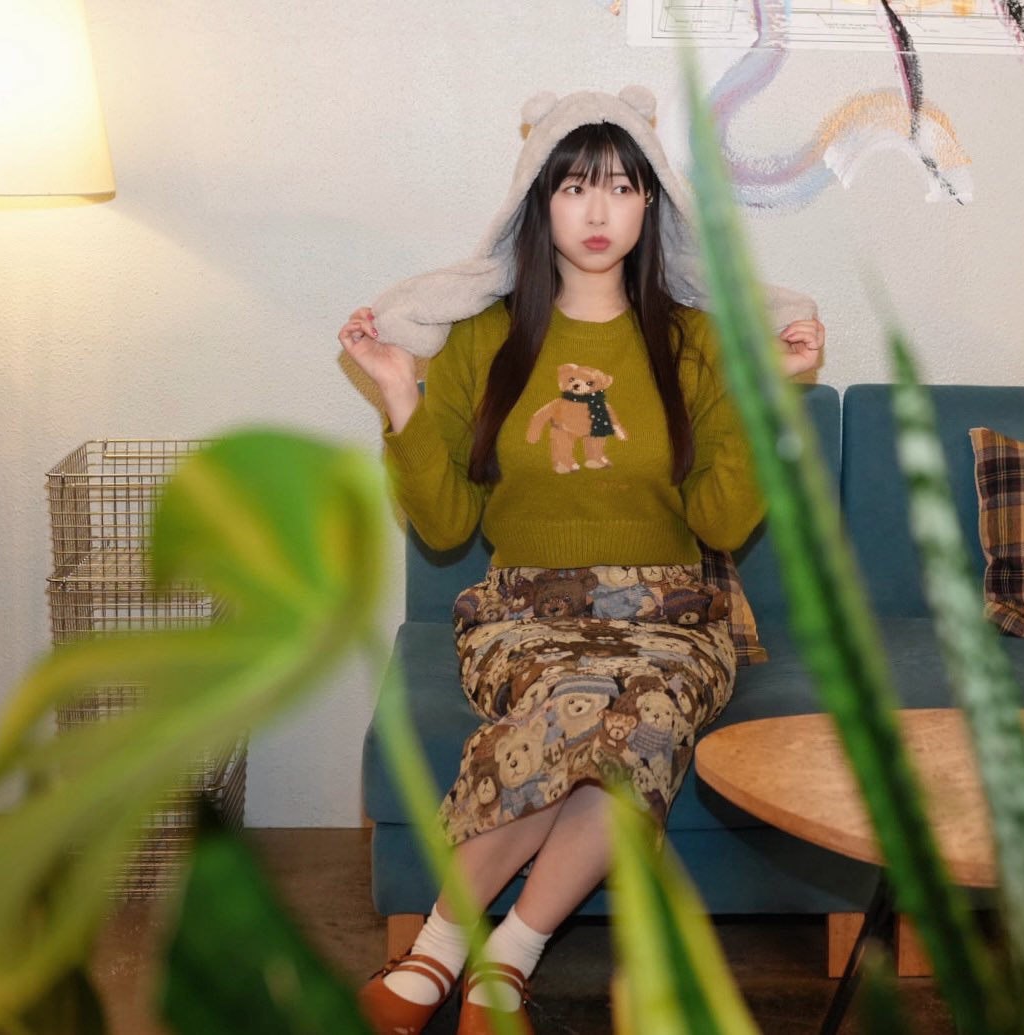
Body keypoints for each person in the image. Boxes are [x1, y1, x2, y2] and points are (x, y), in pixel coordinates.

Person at [338, 86, 824, 1035]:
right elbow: (443, 526)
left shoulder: (696, 341)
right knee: (582, 703)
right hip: (525, 611)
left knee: (643, 714)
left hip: (671, 617)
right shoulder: (482, 338)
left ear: (652, 204)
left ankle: (489, 956)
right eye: (573, 187)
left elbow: (723, 520)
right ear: (538, 202)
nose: (598, 211)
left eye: (621, 187)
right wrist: (400, 397)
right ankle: (459, 955)